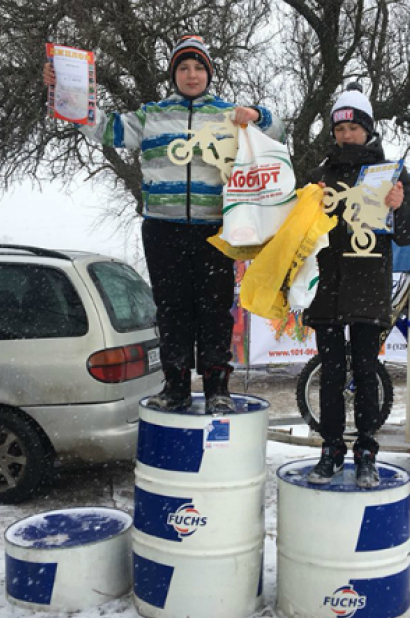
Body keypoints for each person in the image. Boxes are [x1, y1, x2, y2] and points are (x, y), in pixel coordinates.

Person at [43, 35, 283, 413]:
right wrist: (65, 92)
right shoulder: (151, 116)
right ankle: (175, 387)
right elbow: (106, 129)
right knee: (172, 309)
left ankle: (218, 387)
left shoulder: (227, 114)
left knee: (215, 309)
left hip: (215, 230)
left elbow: (275, 135)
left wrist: (257, 114)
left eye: (199, 67)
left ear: (209, 72)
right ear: (174, 74)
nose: (192, 75)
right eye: (184, 68)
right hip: (163, 227)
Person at [302, 83, 410, 489]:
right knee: (332, 375)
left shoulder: (390, 173)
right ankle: (332, 448)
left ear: (368, 129)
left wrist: (398, 206)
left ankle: (367, 451)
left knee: (367, 371)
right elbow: (298, 228)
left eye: (353, 127)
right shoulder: (319, 176)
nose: (345, 135)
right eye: (339, 129)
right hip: (326, 288)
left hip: (369, 288)